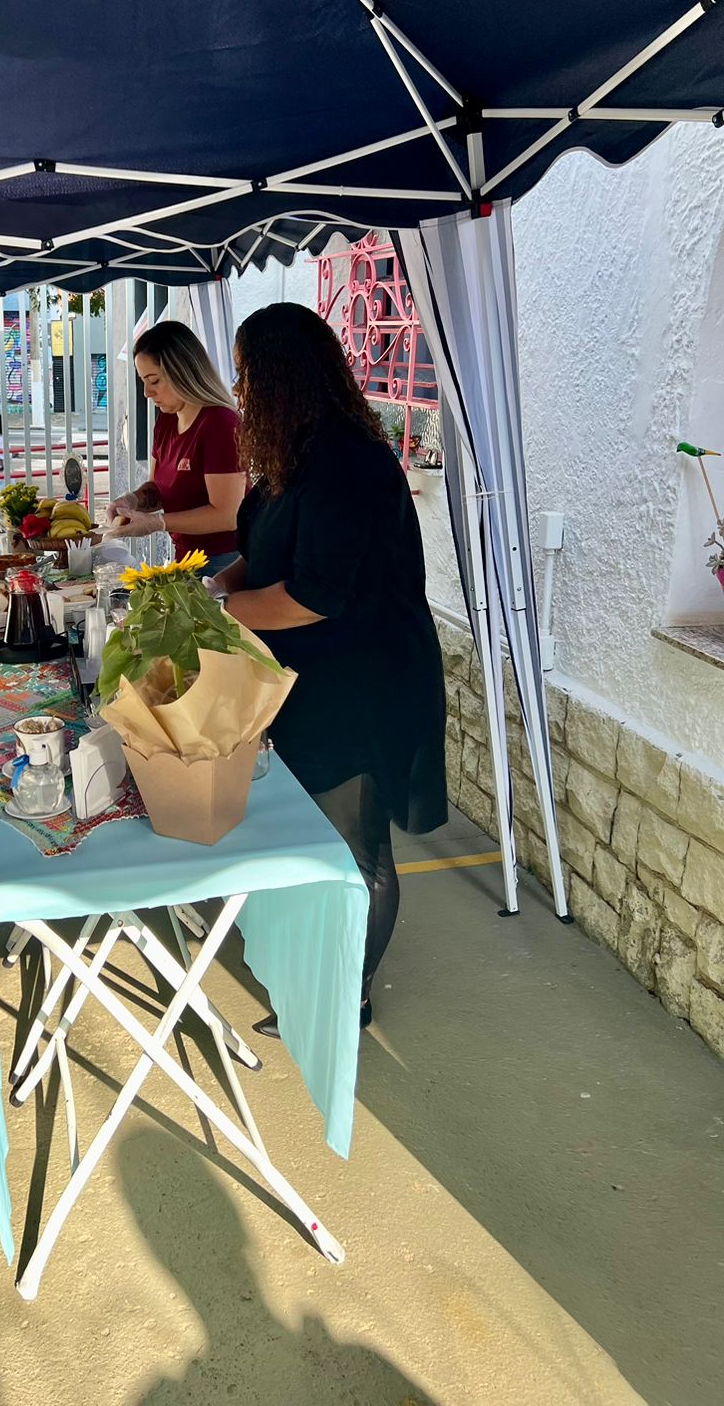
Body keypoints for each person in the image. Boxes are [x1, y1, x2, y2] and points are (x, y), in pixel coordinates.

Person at [215, 304, 447, 1032]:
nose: (241, 388)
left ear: (283, 375)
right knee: (317, 835)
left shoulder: (347, 461)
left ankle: (350, 994)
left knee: (357, 846)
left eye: (249, 373)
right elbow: (269, 550)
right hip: (314, 681)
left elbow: (315, 595)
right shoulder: (299, 453)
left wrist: (221, 614)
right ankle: (325, 963)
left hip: (367, 682)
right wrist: (211, 584)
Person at [107, 320, 245, 575]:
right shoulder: (167, 420)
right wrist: (133, 500)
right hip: (185, 558)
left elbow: (227, 514)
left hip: (225, 563)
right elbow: (158, 490)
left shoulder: (220, 423)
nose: (147, 393)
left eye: (154, 381)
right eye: (143, 381)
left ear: (182, 372)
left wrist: (158, 523)